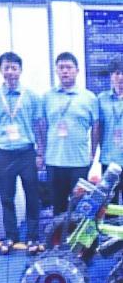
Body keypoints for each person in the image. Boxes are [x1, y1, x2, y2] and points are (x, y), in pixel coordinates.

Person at [0, 51, 43, 254]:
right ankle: (10, 236)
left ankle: (33, 237)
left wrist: (40, 153)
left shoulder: (32, 97)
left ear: (20, 70)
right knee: (6, 198)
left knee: (32, 196)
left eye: (14, 68)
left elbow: (39, 126)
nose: (10, 72)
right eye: (6, 68)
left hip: (27, 153)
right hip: (5, 155)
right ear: (1, 70)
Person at [41, 51, 99, 220]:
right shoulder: (47, 97)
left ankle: (77, 237)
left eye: (69, 67)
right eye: (61, 68)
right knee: (57, 206)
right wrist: (42, 152)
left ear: (77, 70)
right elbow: (42, 126)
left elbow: (96, 127)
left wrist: (92, 153)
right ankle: (58, 237)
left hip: (79, 162)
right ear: (56, 71)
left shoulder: (89, 98)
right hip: (54, 161)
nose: (65, 71)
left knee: (79, 207)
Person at [100, 57, 123, 179]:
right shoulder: (101, 99)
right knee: (109, 193)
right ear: (111, 76)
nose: (121, 77)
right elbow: (98, 128)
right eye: (117, 73)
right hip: (108, 159)